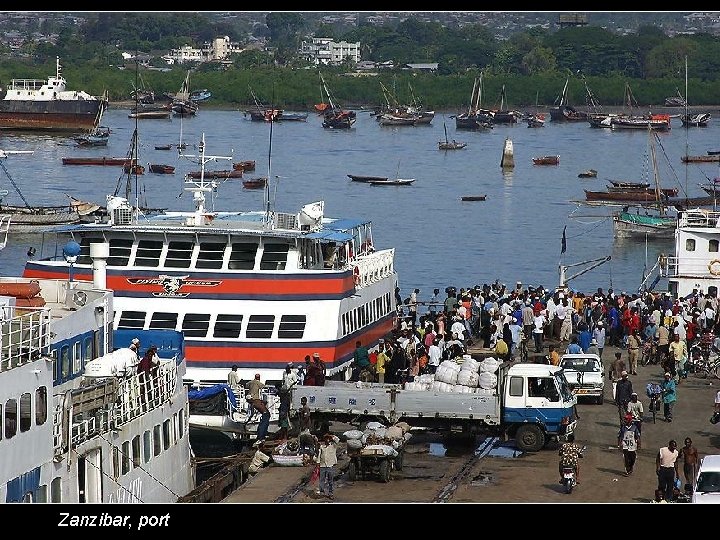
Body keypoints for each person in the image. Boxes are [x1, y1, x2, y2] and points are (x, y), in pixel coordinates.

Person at [316, 433, 340, 499]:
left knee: (330, 481)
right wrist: (318, 463)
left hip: (330, 465)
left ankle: (330, 493)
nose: (327, 440)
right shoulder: (322, 447)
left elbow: (337, 440)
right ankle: (322, 492)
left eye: (328, 439)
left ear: (330, 439)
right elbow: (319, 455)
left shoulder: (333, 446)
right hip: (322, 465)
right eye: (326, 439)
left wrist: (331, 436)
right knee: (321, 480)